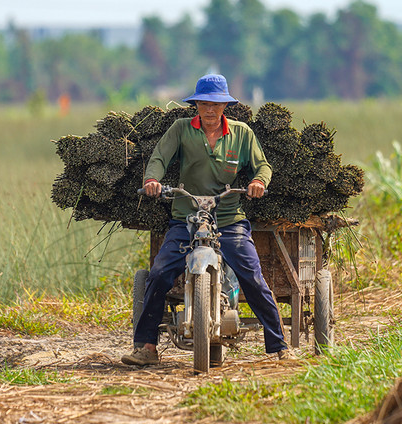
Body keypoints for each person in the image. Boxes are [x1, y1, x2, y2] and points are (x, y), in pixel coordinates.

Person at [122, 74, 291, 366]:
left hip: (228, 220)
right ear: (196, 105)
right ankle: (147, 347)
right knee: (159, 273)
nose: (209, 109)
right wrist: (152, 180)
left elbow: (262, 165)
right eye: (204, 103)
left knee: (253, 277)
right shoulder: (181, 129)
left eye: (215, 104)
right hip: (186, 218)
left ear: (225, 105)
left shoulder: (241, 133)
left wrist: (258, 182)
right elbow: (159, 158)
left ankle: (279, 346)